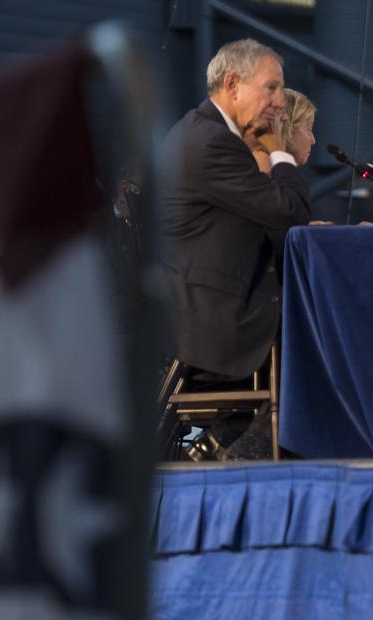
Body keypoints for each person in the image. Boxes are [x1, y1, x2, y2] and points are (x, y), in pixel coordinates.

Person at [161, 38, 310, 379]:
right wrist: (278, 148)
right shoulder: (214, 142)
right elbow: (290, 212)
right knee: (325, 339)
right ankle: (258, 435)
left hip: (204, 307)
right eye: (271, 88)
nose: (279, 103)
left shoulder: (201, 131)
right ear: (232, 84)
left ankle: (248, 433)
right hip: (211, 321)